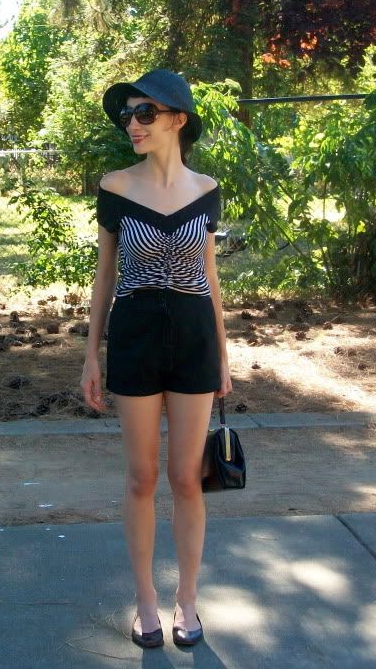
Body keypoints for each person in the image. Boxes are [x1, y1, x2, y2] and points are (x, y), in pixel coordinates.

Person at [80, 68, 233, 649]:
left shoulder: (206, 189)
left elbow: (209, 275)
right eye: (128, 115)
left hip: (194, 338)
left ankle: (186, 599)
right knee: (142, 477)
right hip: (136, 336)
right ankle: (145, 599)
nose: (133, 124)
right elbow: (105, 275)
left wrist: (223, 354)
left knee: (188, 479)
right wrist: (91, 354)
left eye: (145, 113)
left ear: (177, 119)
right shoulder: (116, 186)